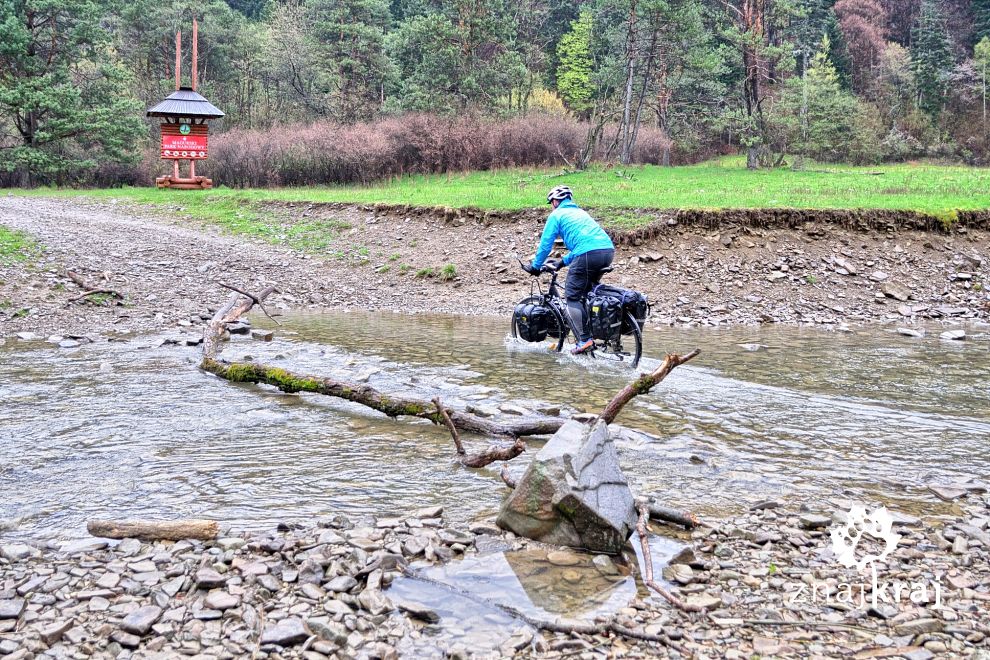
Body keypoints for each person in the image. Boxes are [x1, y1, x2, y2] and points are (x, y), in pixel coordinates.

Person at [523, 185, 615, 355]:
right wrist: (562, 262)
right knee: (588, 293)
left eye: (551, 202)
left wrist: (536, 266)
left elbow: (545, 244)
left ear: (555, 201)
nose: (552, 205)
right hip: (607, 251)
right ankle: (599, 332)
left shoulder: (556, 215)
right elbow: (584, 244)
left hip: (588, 254)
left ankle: (585, 340)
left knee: (572, 296)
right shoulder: (581, 213)